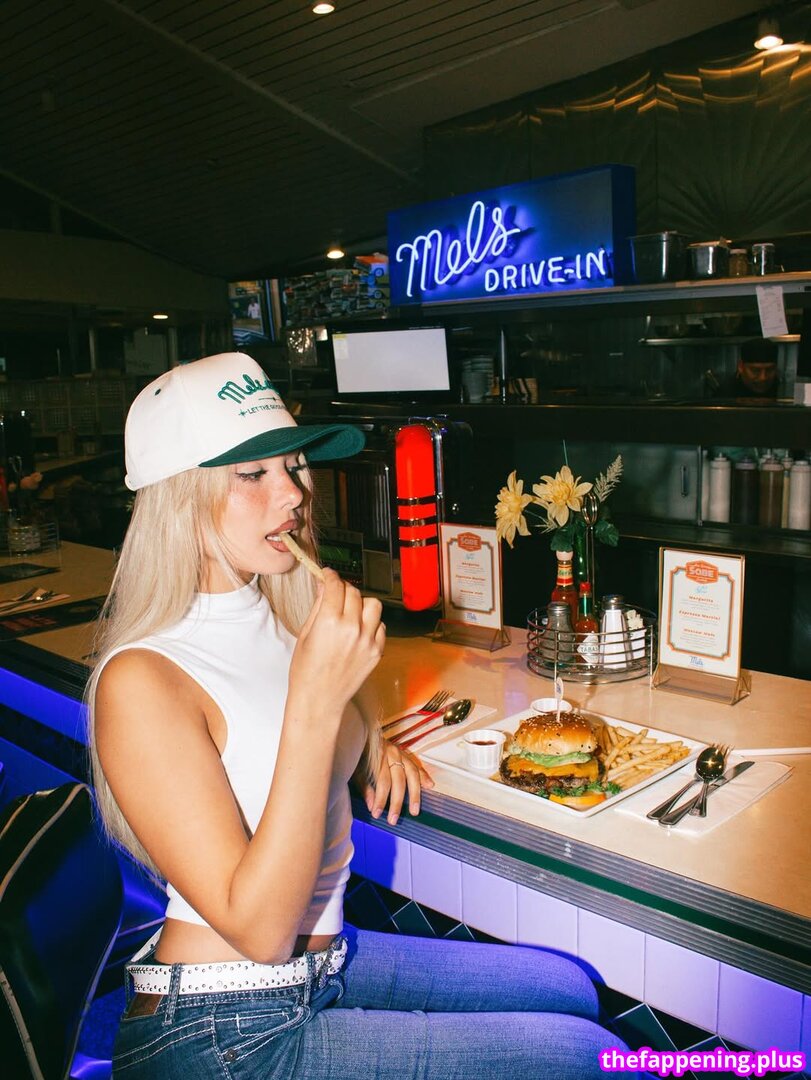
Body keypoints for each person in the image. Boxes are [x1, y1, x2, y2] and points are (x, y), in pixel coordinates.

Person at [88, 352, 637, 1079]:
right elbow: (258, 931)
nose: (293, 493)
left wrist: (372, 745)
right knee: (588, 1057)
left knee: (565, 987)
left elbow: (286, 734)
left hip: (323, 964)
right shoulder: (141, 679)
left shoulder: (278, 610)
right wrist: (317, 707)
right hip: (222, 1029)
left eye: (294, 466)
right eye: (252, 474)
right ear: (179, 498)